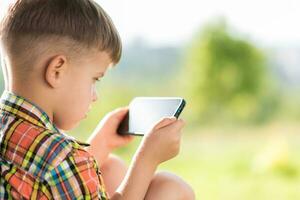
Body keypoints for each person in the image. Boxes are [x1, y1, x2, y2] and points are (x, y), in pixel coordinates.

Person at [0, 0, 195, 199]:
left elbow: (41, 173)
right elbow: (59, 166)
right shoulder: (65, 160)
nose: (95, 96)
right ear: (57, 70)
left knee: (110, 167)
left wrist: (101, 143)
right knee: (170, 188)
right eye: (95, 79)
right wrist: (147, 159)